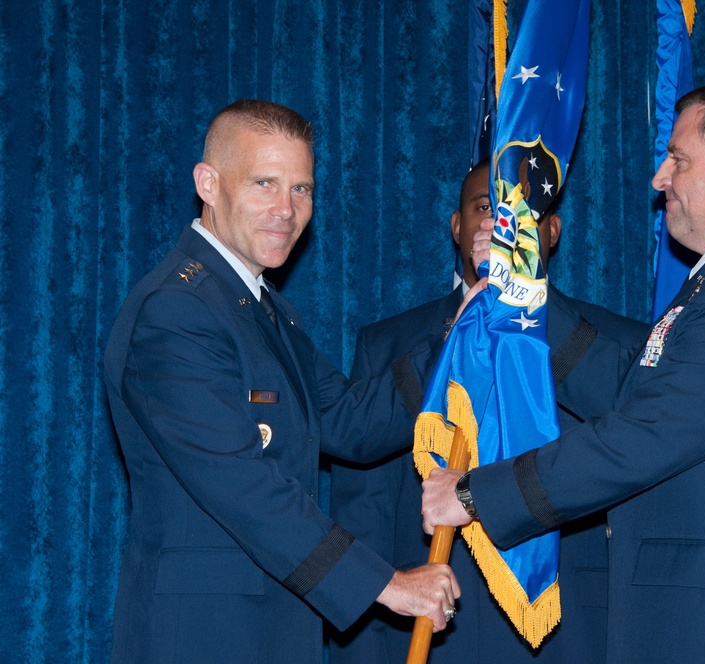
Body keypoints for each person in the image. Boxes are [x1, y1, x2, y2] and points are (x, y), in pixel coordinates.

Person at [423, 79, 705, 662]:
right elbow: (639, 386)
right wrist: (525, 291)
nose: (660, 179)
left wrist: (476, 495)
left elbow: (643, 435)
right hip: (702, 618)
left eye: (678, 159)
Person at [103, 99, 460, 664]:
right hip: (203, 635)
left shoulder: (265, 309)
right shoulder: (176, 310)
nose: (286, 210)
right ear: (208, 183)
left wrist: (461, 336)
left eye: (302, 189)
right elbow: (245, 487)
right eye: (265, 183)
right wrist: (385, 584)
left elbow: (350, 422)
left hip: (274, 627)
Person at [328, 159, 649, 662]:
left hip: (570, 632)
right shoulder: (389, 344)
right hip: (428, 632)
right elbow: (362, 516)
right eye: (483, 208)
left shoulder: (616, 344)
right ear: (457, 227)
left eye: (517, 212)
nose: (498, 227)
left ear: (552, 231)